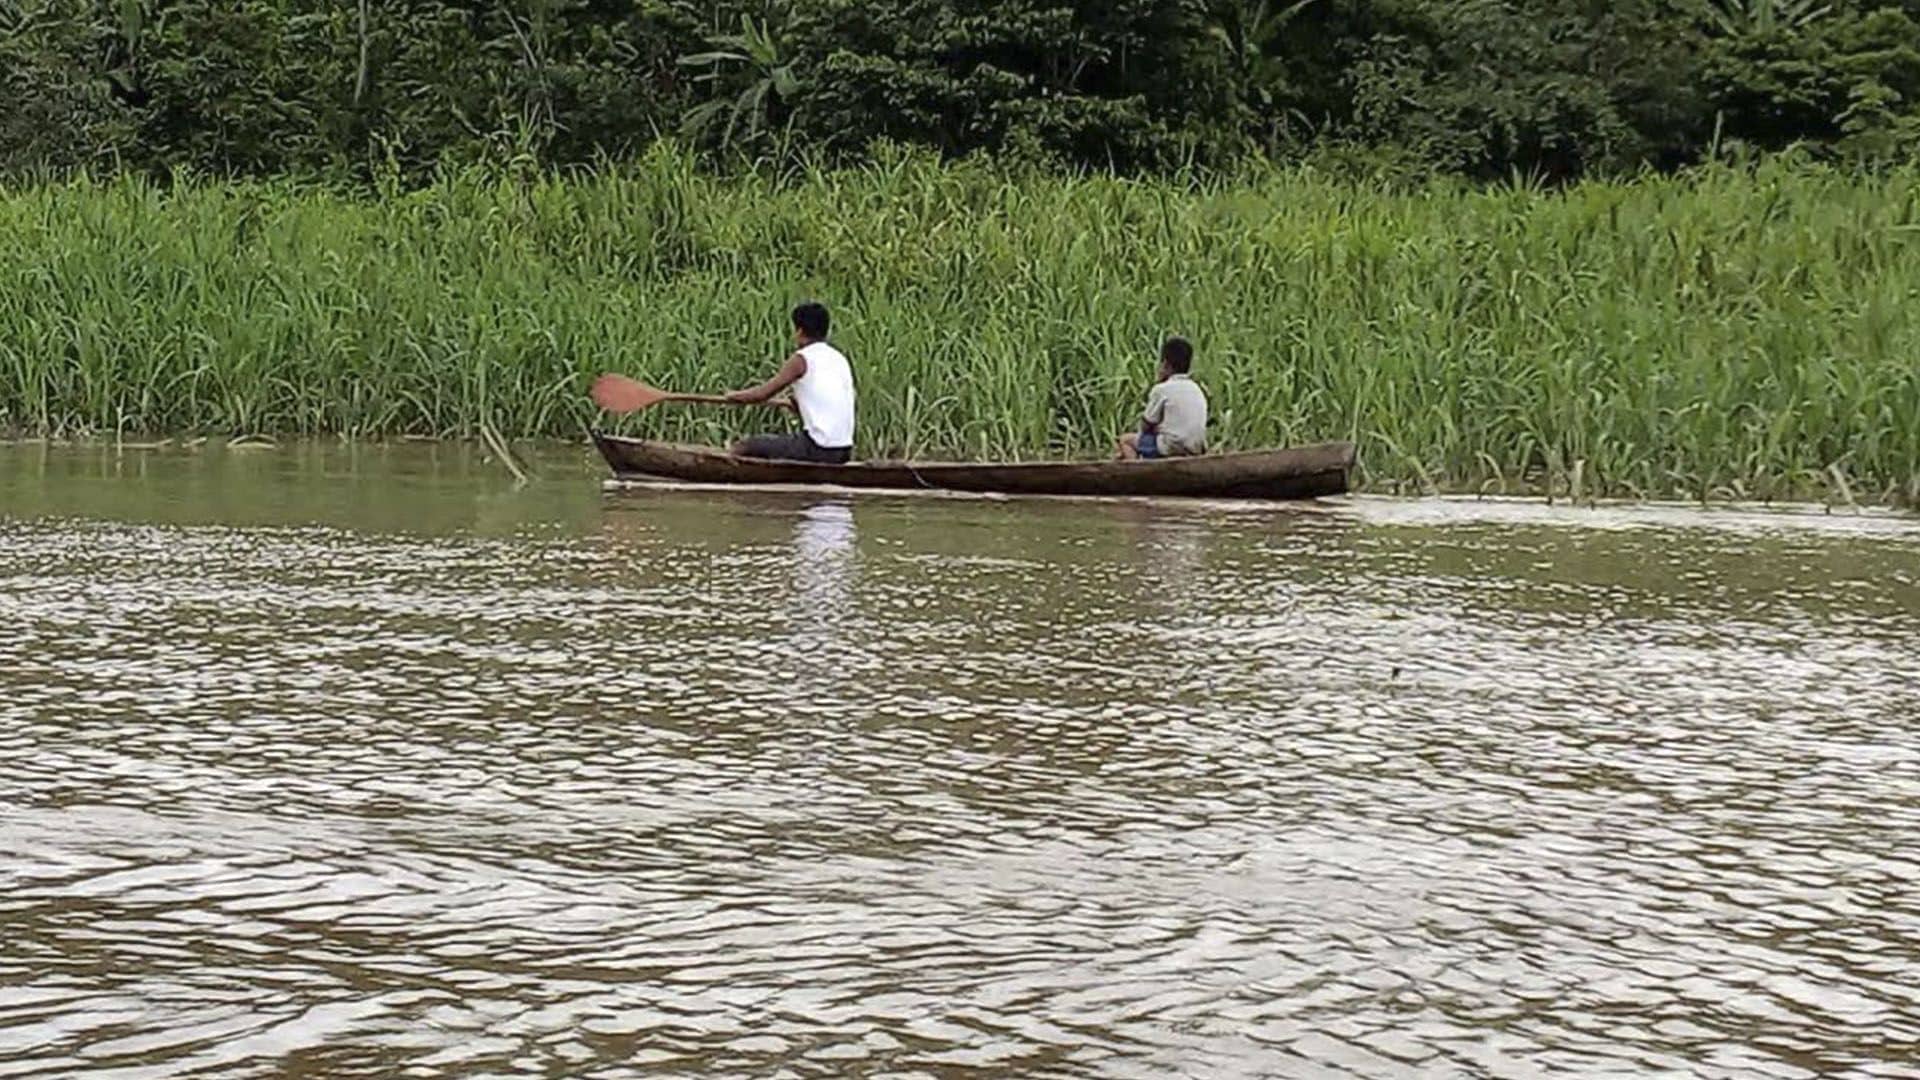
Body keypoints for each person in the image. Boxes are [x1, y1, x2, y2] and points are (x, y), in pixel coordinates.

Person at [725, 301, 857, 463]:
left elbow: (762, 394)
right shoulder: (839, 358)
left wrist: (734, 396)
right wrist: (798, 405)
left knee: (746, 446)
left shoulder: (802, 359)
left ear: (799, 331)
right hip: (844, 451)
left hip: (819, 448)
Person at [1118, 336, 1208, 460]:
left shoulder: (1162, 389)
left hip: (1171, 446)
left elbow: (1145, 425)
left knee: (1125, 440)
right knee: (1155, 440)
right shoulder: (1196, 389)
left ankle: (1138, 470)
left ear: (1166, 364)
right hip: (1195, 447)